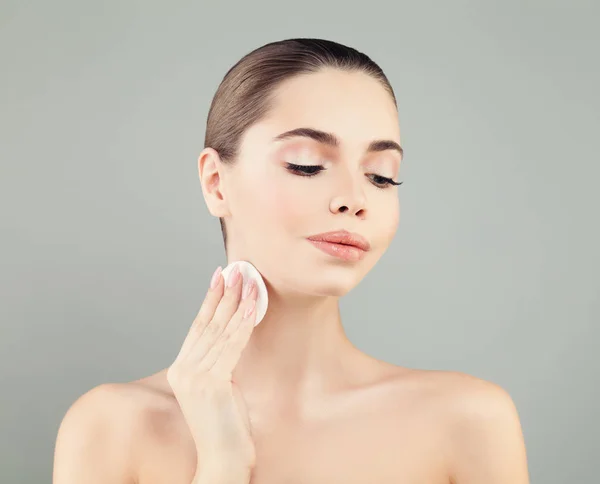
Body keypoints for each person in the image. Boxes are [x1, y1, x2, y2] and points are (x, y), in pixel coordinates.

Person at [52, 38, 530, 484]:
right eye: (306, 164)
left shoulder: (468, 419)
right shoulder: (111, 427)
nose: (354, 198)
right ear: (216, 183)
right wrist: (222, 462)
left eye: (382, 176)